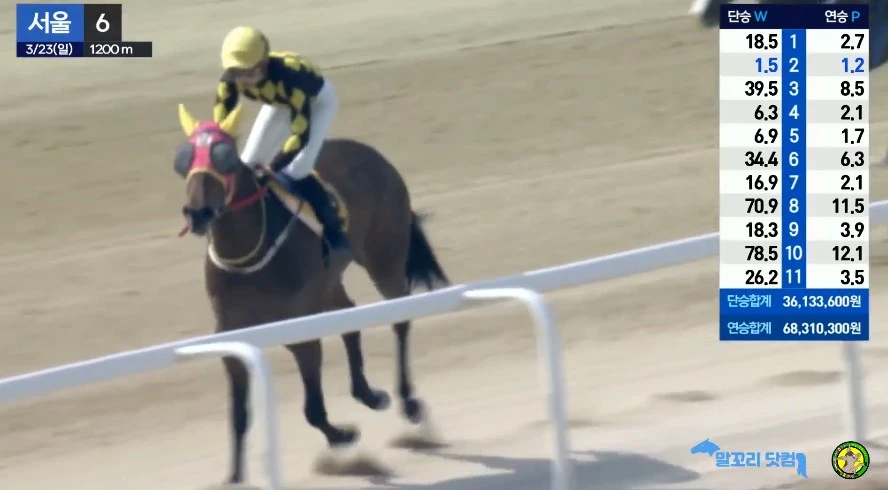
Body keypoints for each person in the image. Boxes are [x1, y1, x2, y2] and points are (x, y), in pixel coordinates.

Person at [213, 26, 350, 259]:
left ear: (263, 64)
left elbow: (300, 134)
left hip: (316, 102)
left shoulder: (291, 79)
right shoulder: (229, 80)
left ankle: (333, 227)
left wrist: (273, 167)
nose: (241, 80)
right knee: (247, 163)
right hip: (278, 103)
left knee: (298, 169)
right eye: (235, 72)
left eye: (247, 72)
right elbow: (221, 127)